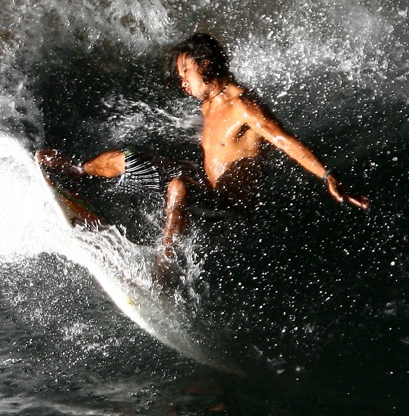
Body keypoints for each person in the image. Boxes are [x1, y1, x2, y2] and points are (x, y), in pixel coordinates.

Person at [37, 33, 368, 282]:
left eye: (186, 72)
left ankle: (162, 273)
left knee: (179, 186)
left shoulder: (242, 105)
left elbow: (284, 140)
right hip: (211, 192)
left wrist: (326, 176)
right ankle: (76, 170)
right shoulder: (209, 103)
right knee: (129, 158)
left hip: (234, 214)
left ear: (206, 64)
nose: (182, 82)